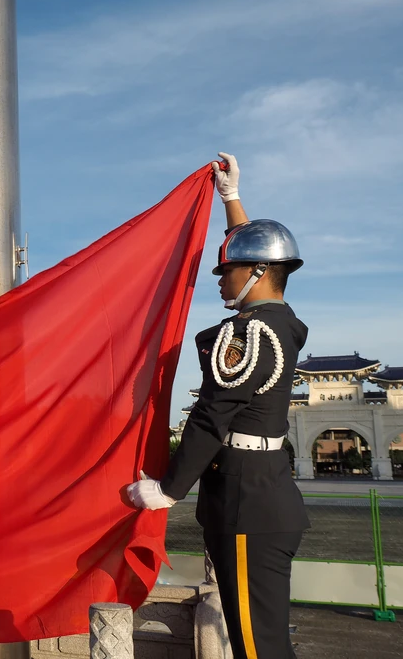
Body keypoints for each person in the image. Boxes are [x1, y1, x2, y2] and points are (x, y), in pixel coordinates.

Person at [127, 153, 310, 659]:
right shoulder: (276, 320)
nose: (219, 277)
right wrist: (231, 200)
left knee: (259, 647)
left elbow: (212, 416)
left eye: (227, 270)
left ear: (257, 273)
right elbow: (253, 255)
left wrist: (167, 490)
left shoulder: (248, 331)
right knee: (257, 637)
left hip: (247, 506)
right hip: (258, 496)